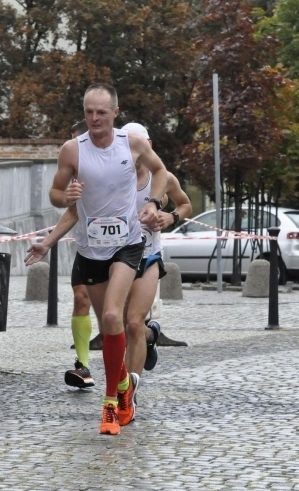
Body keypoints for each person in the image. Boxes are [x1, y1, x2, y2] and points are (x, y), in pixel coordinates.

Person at [27, 83, 168, 435]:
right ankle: (123, 386)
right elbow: (58, 195)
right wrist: (64, 200)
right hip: (90, 249)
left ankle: (110, 406)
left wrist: (154, 202)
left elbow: (162, 172)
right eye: (89, 111)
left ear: (115, 113)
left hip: (128, 245)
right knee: (110, 327)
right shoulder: (72, 150)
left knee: (110, 315)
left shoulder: (131, 144)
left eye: (101, 112)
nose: (94, 118)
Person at [119, 122, 192, 384]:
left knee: (134, 323)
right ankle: (151, 337)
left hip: (149, 255)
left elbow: (185, 204)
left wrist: (170, 218)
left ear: (149, 146)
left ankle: (128, 392)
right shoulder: (114, 177)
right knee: (125, 326)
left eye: (139, 144)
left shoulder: (162, 178)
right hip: (119, 257)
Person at [62, 120, 96, 389]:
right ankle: (83, 365)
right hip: (86, 247)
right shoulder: (76, 174)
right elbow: (72, 212)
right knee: (81, 297)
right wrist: (46, 243)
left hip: (122, 250)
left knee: (121, 316)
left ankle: (148, 336)